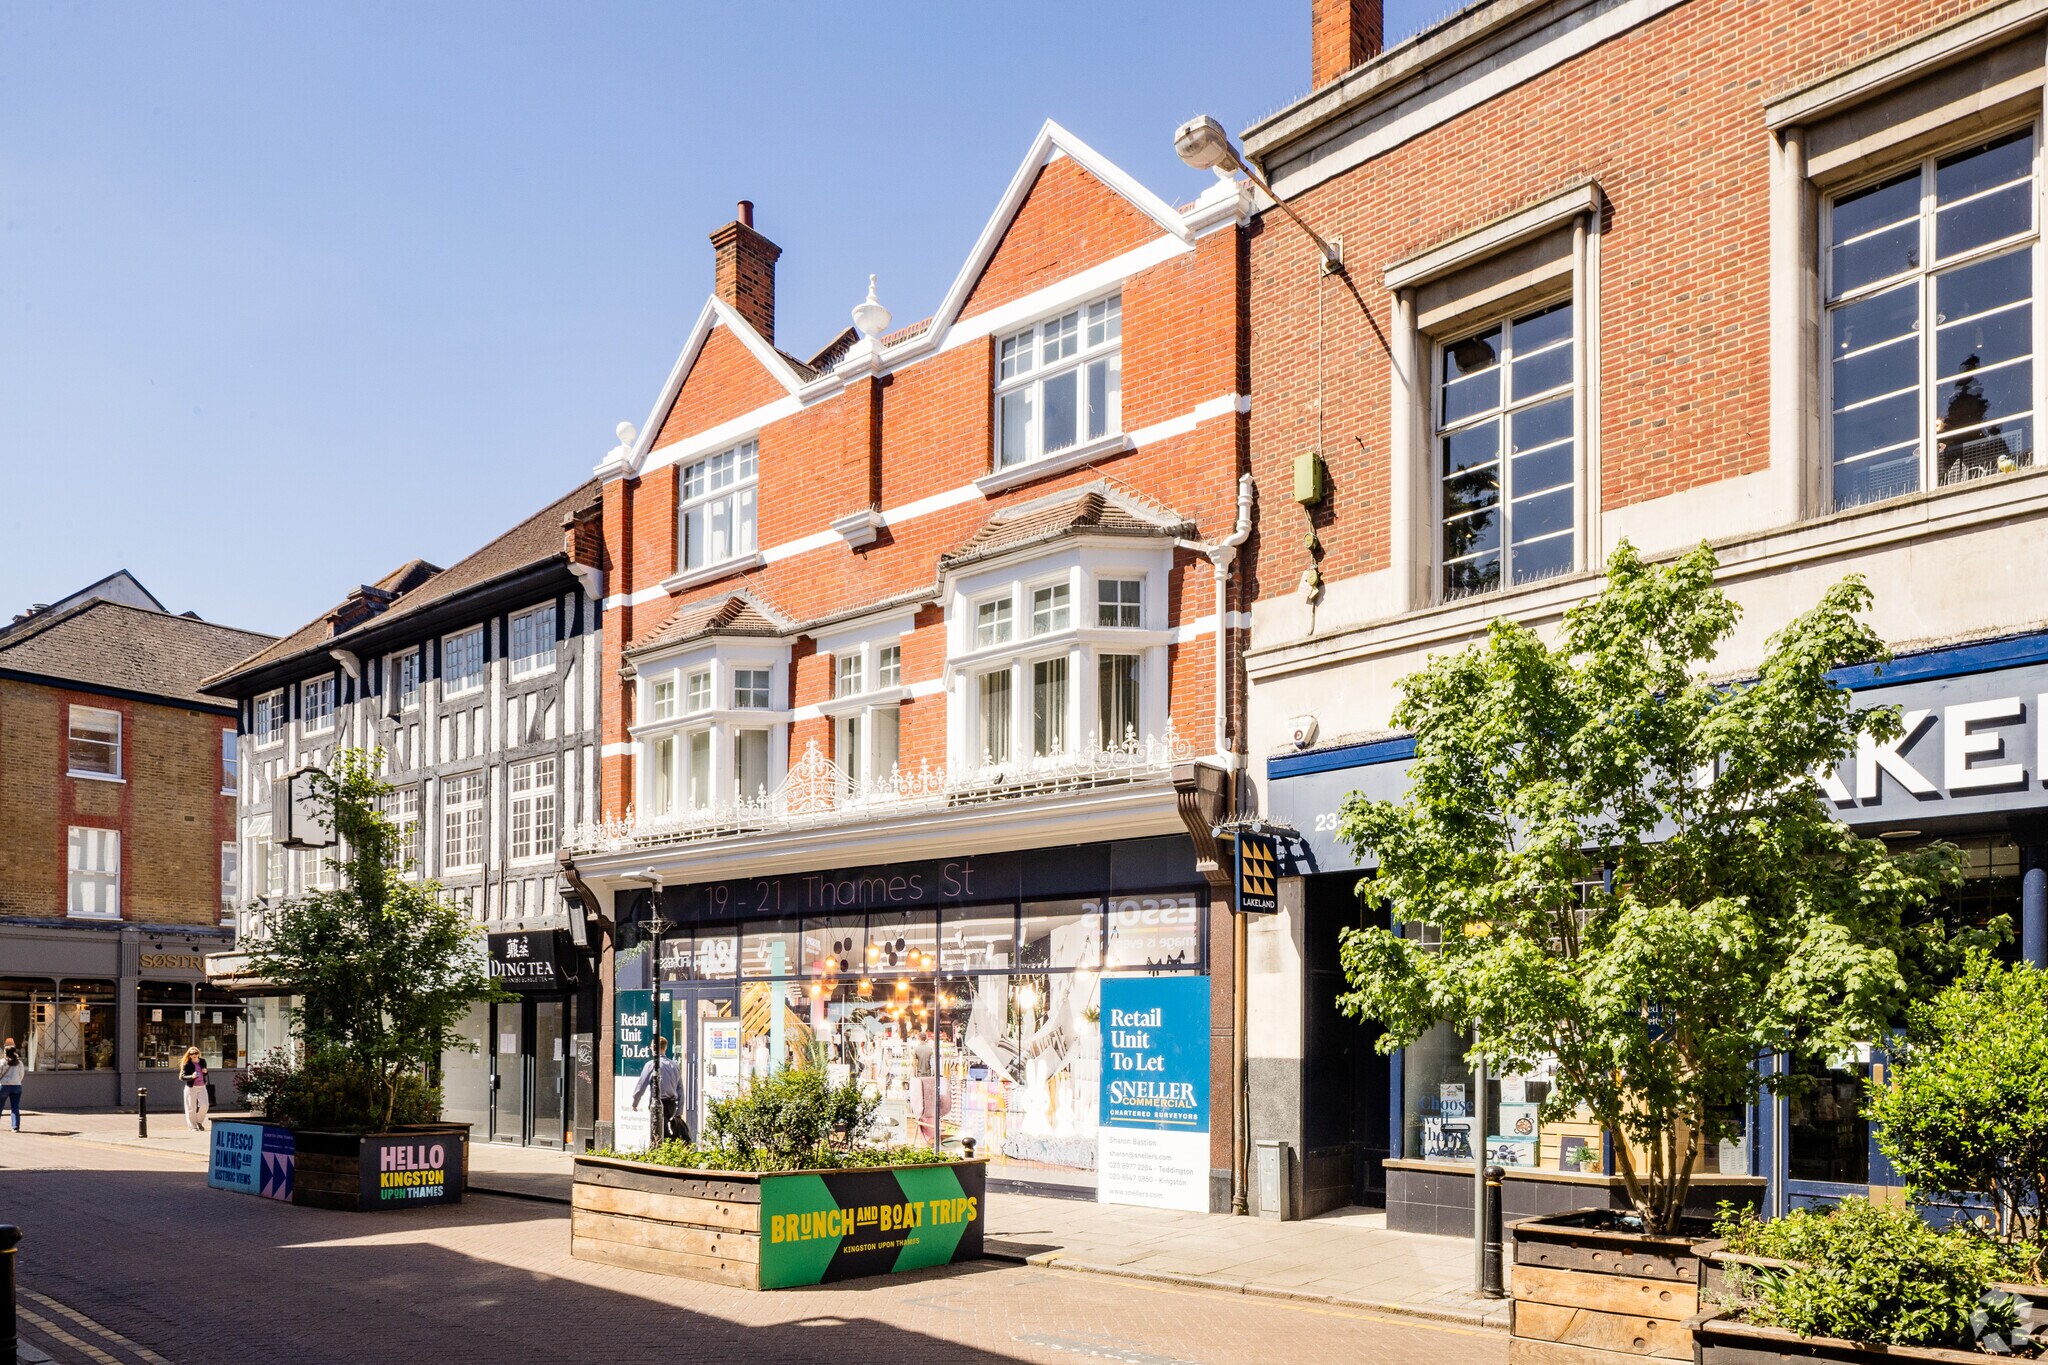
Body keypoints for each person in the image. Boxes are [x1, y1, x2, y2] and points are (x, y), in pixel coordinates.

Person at [631, 1034, 686, 1144]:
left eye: (651, 1047)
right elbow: (680, 1089)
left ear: (654, 1048)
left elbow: (641, 1086)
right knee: (665, 1131)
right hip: (671, 1104)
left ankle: (662, 1153)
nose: (650, 1048)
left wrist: (635, 1103)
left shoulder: (651, 1065)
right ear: (665, 1048)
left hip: (658, 1103)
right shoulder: (674, 1065)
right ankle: (669, 1150)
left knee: (659, 1134)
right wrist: (679, 1110)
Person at [179, 1046, 210, 1130]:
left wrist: (206, 1071)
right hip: (191, 1087)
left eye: (196, 1053)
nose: (194, 1055)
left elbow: (205, 1073)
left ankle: (199, 1121)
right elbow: (182, 1077)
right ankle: (192, 1126)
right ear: (189, 1055)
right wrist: (192, 1076)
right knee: (191, 1108)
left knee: (205, 1105)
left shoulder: (203, 1061)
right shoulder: (187, 1064)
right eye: (192, 1054)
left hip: (202, 1086)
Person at [0, 1040, 23, 1132]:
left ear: (5, 1053)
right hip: (16, 1086)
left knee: (0, 1106)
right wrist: (17, 1081)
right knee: (15, 1107)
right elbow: (21, 1074)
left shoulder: (2, 1062)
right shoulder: (19, 1063)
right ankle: (15, 1127)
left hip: (4, 1086)